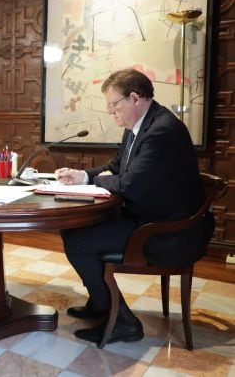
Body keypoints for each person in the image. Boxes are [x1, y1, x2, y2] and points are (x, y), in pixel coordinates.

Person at [54, 68, 209, 345]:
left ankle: (123, 322)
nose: (111, 112)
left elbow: (129, 185)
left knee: (79, 241)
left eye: (113, 105)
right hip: (148, 217)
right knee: (74, 228)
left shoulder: (162, 131)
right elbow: (117, 169)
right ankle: (102, 305)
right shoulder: (139, 127)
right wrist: (83, 176)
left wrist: (108, 180)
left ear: (135, 98)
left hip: (165, 232)